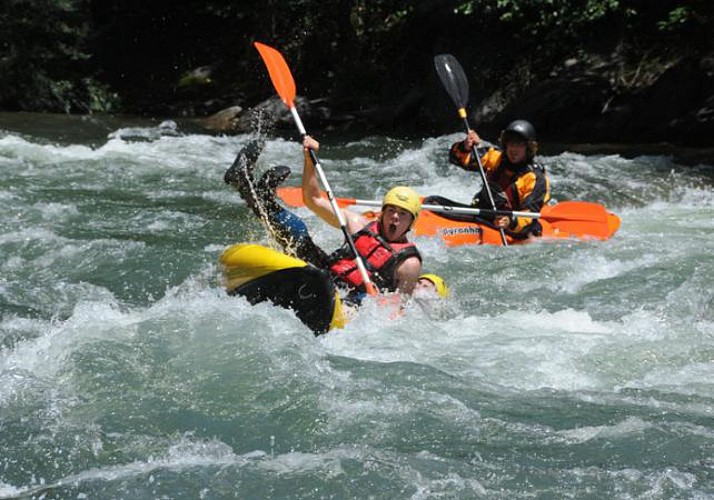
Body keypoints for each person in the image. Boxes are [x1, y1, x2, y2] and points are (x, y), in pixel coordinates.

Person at [224, 137, 424, 305]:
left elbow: (400, 304)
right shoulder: (356, 223)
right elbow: (314, 200)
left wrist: (379, 308)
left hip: (355, 301)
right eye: (391, 210)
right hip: (324, 275)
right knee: (298, 232)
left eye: (402, 214)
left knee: (341, 290)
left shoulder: (409, 264)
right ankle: (249, 188)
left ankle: (253, 193)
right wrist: (309, 159)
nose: (395, 217)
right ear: (382, 212)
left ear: (411, 222)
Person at [425, 119, 551, 240]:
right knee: (433, 201)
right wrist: (465, 146)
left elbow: (530, 215)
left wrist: (510, 221)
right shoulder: (495, 158)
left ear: (528, 147)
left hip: (514, 228)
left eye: (519, 144)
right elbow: (458, 158)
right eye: (511, 143)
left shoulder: (535, 178)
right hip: (486, 213)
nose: (513, 149)